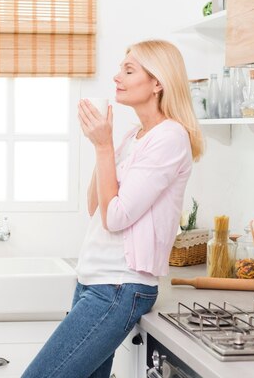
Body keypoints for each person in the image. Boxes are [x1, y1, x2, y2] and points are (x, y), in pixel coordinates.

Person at [21, 39, 204, 378]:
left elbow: (115, 218)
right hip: (94, 281)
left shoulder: (170, 137)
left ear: (158, 83)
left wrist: (105, 146)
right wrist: (101, 145)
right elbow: (95, 205)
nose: (117, 76)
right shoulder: (135, 135)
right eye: (121, 68)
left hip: (119, 287)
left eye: (129, 70)